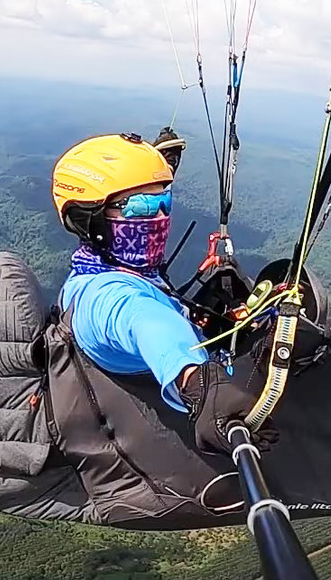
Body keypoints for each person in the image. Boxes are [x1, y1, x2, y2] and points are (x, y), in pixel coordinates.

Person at [50, 131, 263, 455]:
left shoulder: (117, 267)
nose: (160, 216)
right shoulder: (104, 296)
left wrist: (157, 165)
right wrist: (197, 382)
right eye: (143, 206)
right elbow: (146, 323)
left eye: (165, 201)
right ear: (89, 219)